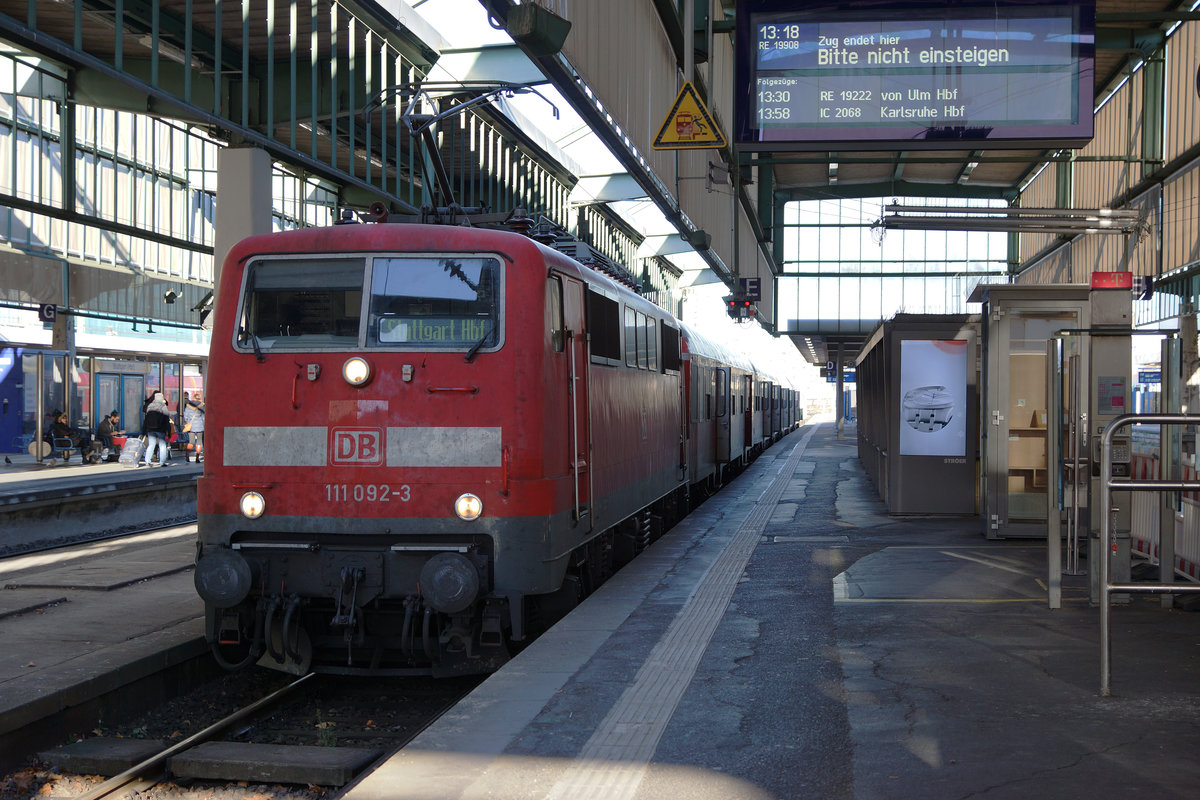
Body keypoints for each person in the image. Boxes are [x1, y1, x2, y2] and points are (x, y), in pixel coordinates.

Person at [141, 392, 171, 467]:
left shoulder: (150, 406)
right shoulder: (163, 406)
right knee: (162, 445)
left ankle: (147, 460)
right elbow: (166, 419)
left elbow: (147, 418)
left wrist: (144, 430)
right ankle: (162, 462)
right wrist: (169, 431)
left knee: (151, 444)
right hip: (160, 428)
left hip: (150, 428)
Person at [182, 391, 206, 463]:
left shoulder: (189, 405)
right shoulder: (202, 405)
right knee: (199, 442)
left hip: (191, 426)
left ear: (194, 398)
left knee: (191, 441)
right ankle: (197, 457)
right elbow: (203, 417)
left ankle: (187, 455)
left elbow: (185, 416)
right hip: (200, 426)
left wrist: (188, 422)